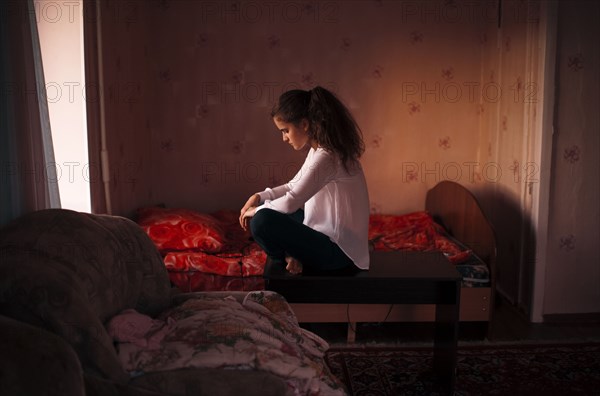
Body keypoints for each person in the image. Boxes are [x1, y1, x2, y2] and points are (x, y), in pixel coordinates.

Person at [239, 86, 370, 275]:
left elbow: (292, 200)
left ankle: (289, 256)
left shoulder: (328, 156)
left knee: (261, 221)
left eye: (285, 131)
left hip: (339, 252)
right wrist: (260, 196)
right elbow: (293, 185)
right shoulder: (319, 151)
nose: (284, 138)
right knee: (270, 213)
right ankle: (292, 256)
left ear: (304, 124)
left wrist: (256, 210)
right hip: (324, 236)